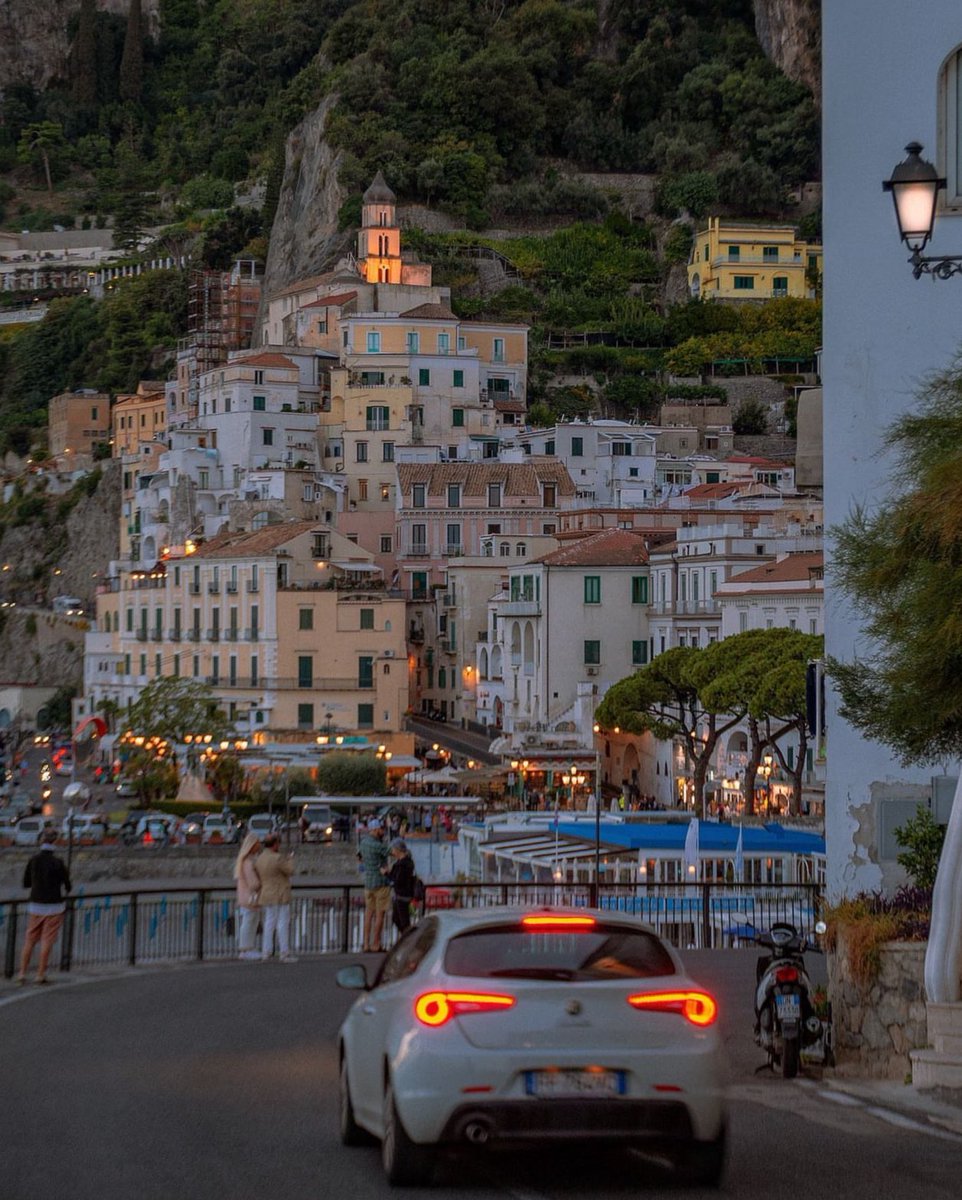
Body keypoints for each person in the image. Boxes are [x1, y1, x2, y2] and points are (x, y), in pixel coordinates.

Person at [17, 825, 71, 986]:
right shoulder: (58, 862)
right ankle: (40, 973)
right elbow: (67, 884)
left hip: (36, 903)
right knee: (47, 940)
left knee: (30, 939)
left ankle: (22, 973)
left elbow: (26, 883)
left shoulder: (33, 860)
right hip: (54, 905)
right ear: (55, 842)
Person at [257, 833, 296, 962]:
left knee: (269, 923)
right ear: (275, 844)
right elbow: (290, 870)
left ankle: (266, 952)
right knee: (282, 922)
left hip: (266, 893)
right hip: (280, 893)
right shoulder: (278, 858)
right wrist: (290, 859)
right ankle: (284, 952)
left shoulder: (260, 858)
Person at [359, 819, 390, 952]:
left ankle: (365, 944)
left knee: (368, 914)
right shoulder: (379, 845)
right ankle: (376, 944)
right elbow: (393, 852)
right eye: (381, 829)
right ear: (376, 829)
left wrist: (370, 865)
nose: (382, 831)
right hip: (380, 883)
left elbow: (359, 858)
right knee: (379, 915)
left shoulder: (364, 842)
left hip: (368, 883)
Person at [233, 832, 263, 961]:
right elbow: (253, 882)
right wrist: (261, 883)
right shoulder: (248, 862)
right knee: (249, 922)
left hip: (245, 897)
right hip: (249, 897)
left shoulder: (245, 861)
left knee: (250, 922)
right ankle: (245, 948)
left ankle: (248, 947)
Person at [384, 838, 416, 935]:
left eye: (393, 849)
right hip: (401, 895)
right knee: (398, 918)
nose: (392, 852)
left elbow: (398, 880)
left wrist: (386, 874)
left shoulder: (403, 864)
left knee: (403, 920)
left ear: (398, 850)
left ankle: (408, 939)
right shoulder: (405, 862)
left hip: (402, 896)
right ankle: (406, 937)